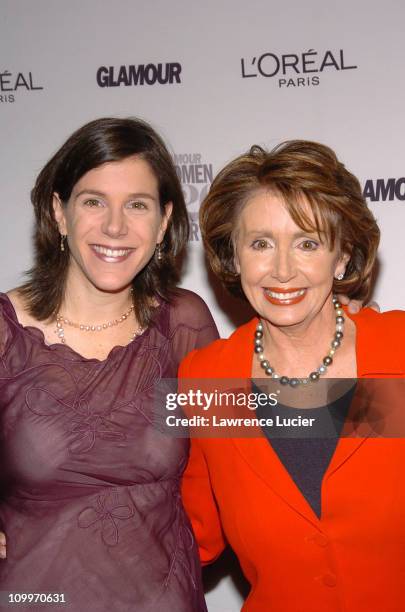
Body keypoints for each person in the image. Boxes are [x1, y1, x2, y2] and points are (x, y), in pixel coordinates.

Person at [0, 117, 219, 611]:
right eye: (93, 201)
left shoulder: (181, 326)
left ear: (164, 221)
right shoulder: (5, 333)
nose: (115, 226)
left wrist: (332, 341)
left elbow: (258, 436)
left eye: (136, 205)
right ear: (59, 212)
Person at [179, 140, 405, 612]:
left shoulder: (398, 350)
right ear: (233, 255)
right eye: (260, 243)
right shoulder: (205, 379)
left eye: (307, 243)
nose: (282, 270)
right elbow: (185, 533)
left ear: (341, 257)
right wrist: (37, 520)